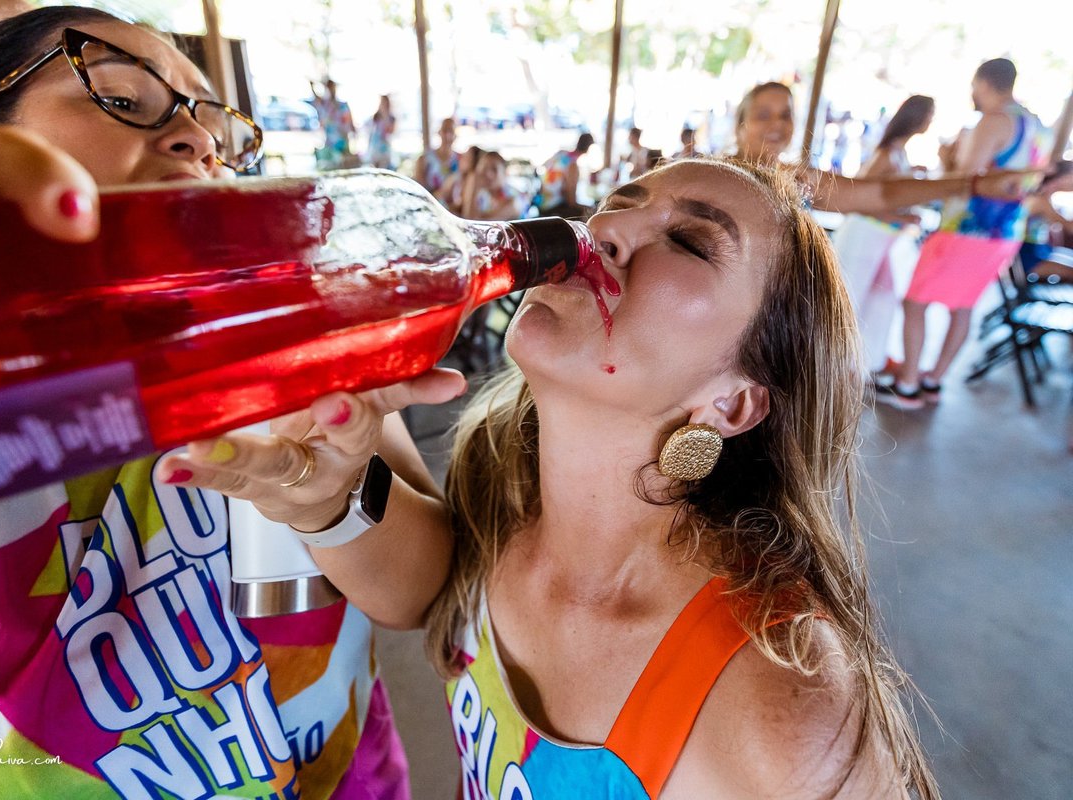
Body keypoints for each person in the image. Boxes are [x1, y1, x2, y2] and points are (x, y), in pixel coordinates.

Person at [164, 156, 941, 798]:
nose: (603, 231)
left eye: (690, 242)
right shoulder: (502, 504)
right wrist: (324, 497)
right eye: (617, 205)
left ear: (733, 403)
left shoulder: (782, 697)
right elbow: (422, 594)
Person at [0, 8, 465, 797]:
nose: (196, 140)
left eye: (217, 130)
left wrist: (328, 500)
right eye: (121, 97)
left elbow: (422, 591)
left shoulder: (296, 326)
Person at [890, 59, 1042, 409]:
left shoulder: (994, 120)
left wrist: (947, 157)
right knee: (963, 307)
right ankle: (934, 381)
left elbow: (963, 178)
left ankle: (908, 384)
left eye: (974, 86)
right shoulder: (1033, 123)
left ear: (984, 83)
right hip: (1005, 233)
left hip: (967, 229)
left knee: (914, 302)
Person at [733, 81, 1032, 224]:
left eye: (785, 115)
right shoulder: (725, 173)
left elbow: (879, 193)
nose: (777, 125)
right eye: (763, 115)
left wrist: (974, 184)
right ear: (741, 125)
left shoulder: (794, 177)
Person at [831, 95, 936, 380]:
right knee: (849, 302)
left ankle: (862, 364)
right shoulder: (886, 154)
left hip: (880, 240)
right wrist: (900, 218)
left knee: (881, 299)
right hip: (863, 237)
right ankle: (837, 367)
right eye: (929, 114)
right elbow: (856, 198)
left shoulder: (899, 153)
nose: (931, 121)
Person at [537, 131, 594, 219]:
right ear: (588, 148)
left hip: (541, 203)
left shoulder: (561, 153)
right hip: (553, 207)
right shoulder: (572, 166)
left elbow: (542, 169)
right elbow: (571, 201)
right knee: (589, 213)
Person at [310, 77, 357, 170]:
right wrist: (312, 86)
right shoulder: (325, 104)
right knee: (331, 166)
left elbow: (350, 122)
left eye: (332, 87)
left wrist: (353, 135)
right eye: (329, 87)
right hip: (330, 143)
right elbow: (317, 99)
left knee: (343, 166)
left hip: (342, 142)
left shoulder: (342, 105)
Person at [461, 150, 523, 221]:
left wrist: (473, 187)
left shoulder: (512, 201)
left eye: (494, 169)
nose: (488, 174)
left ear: (504, 173)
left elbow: (474, 223)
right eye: (484, 169)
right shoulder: (484, 196)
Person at [414, 116, 461, 196]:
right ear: (439, 132)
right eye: (445, 130)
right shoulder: (425, 160)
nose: (447, 135)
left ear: (455, 135)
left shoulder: (461, 160)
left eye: (451, 131)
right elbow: (419, 192)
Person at [437, 144, 482, 213]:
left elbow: (461, 207)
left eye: (467, 158)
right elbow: (440, 194)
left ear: (475, 163)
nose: (461, 160)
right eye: (463, 156)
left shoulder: (472, 181)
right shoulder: (456, 178)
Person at [366, 94, 396, 170]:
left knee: (384, 167)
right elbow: (371, 131)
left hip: (385, 148)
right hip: (375, 147)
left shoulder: (391, 117)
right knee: (374, 167)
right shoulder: (376, 117)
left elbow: (391, 131)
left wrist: (385, 115)